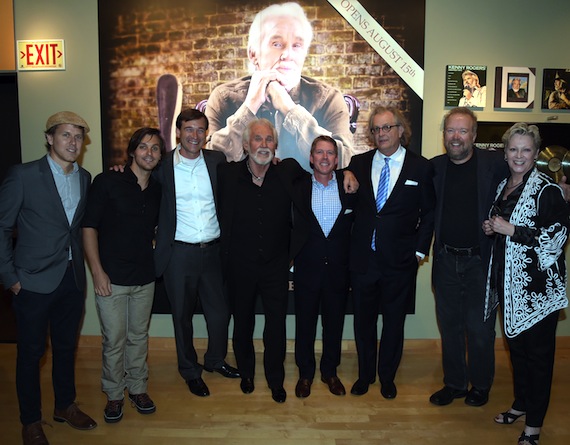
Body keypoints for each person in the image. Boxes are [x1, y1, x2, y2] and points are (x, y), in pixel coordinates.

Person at [0, 111, 96, 445]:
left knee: (66, 348)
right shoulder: (23, 175)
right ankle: (30, 421)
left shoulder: (84, 178)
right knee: (30, 354)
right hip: (32, 282)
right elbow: (2, 227)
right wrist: (10, 276)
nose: (73, 142)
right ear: (50, 138)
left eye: (78, 136)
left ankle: (65, 406)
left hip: (72, 279)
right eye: (66, 135)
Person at [483, 123, 568, 445]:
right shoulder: (504, 185)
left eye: (526, 150)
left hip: (537, 295)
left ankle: (534, 426)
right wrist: (493, 226)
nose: (519, 156)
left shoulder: (548, 190)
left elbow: (556, 238)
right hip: (509, 289)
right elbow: (504, 224)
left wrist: (512, 230)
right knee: (517, 352)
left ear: (535, 154)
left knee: (538, 359)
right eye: (513, 150)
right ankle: (521, 404)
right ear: (505, 153)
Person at [348, 106, 435, 399]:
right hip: (364, 260)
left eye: (387, 128)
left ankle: (387, 377)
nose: (381, 134)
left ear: (400, 130)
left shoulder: (421, 167)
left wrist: (420, 252)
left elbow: (430, 213)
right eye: (376, 129)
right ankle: (365, 375)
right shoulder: (357, 164)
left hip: (400, 262)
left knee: (394, 323)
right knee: (363, 322)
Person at [217, 118, 307, 404]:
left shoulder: (287, 171)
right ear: (245, 145)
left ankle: (275, 380)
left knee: (276, 326)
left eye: (269, 139)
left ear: (276, 146)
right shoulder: (227, 174)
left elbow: (321, 172)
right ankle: (246, 373)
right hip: (239, 265)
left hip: (275, 266)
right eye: (258, 139)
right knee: (242, 322)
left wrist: (347, 175)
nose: (264, 144)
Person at [205, 2, 353, 171]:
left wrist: (290, 110)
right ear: (253, 54)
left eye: (297, 45)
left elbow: (344, 161)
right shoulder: (224, 97)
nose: (287, 54)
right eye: (277, 44)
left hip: (305, 195)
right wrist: (250, 107)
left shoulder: (328, 98)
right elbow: (212, 163)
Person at [153, 109, 240, 398]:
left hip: (214, 253)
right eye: (189, 129)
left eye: (200, 130)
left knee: (220, 314)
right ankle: (190, 370)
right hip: (178, 254)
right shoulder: (162, 166)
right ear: (178, 132)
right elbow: (136, 178)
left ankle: (215, 360)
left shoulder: (217, 161)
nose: (194, 135)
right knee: (182, 317)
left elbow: (247, 173)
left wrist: (274, 163)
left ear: (206, 133)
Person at [82, 128, 164, 423]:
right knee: (113, 339)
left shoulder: (158, 189)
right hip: (111, 278)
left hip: (144, 277)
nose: (149, 153)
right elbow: (89, 227)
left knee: (138, 337)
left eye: (155, 149)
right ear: (132, 151)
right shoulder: (107, 182)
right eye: (143, 147)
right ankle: (114, 394)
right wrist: (97, 272)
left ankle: (138, 388)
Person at [429, 107, 508, 407]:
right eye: (451, 130)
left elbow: (522, 181)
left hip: (480, 261)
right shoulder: (435, 168)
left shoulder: (493, 164)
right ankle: (455, 383)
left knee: (479, 327)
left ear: (474, 136)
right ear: (444, 135)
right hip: (446, 260)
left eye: (463, 131)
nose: (456, 137)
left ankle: (481, 385)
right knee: (449, 326)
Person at [291, 135, 356, 399]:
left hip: (338, 271)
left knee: (334, 324)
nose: (325, 158)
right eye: (319, 152)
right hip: (306, 269)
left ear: (337, 160)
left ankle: (330, 372)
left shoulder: (349, 187)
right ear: (311, 157)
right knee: (304, 324)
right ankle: (305, 373)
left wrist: (349, 172)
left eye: (330, 153)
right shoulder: (297, 186)